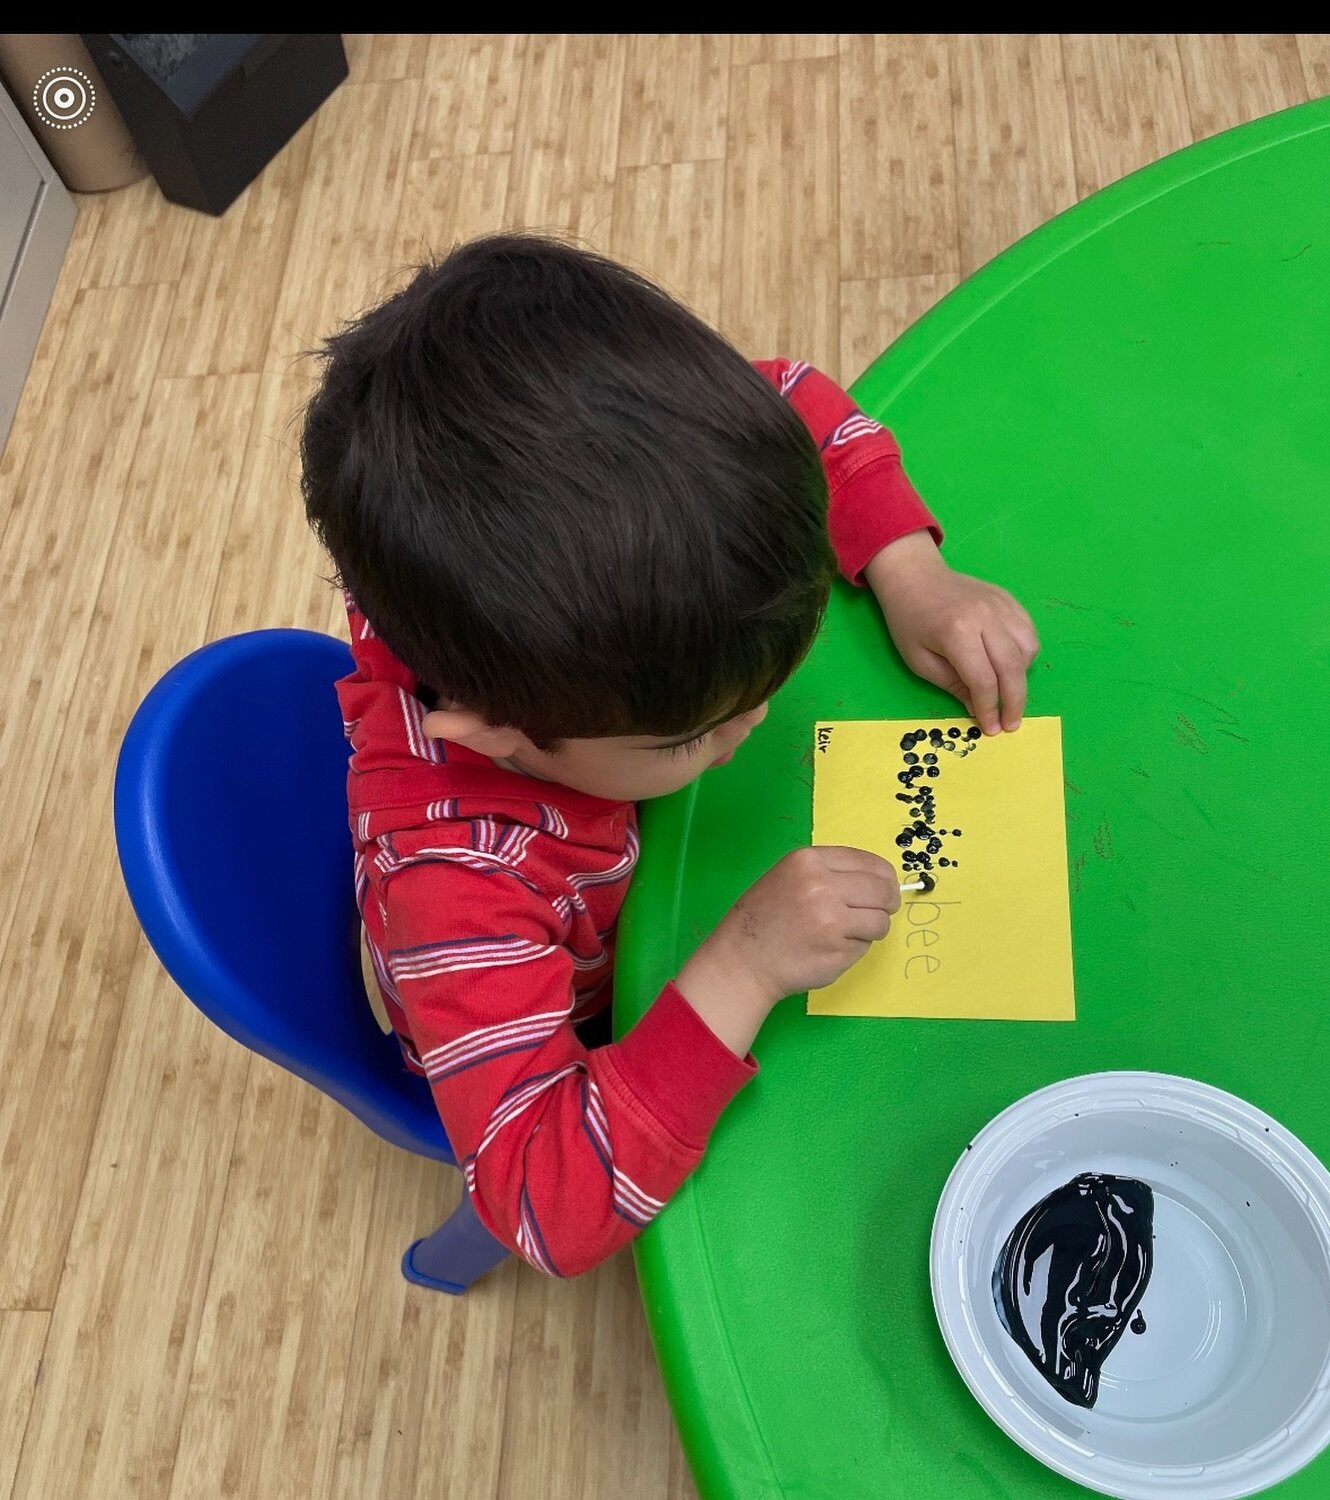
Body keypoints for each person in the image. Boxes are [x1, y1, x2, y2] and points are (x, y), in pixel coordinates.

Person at [301, 234, 1038, 1278]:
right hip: (576, 1018)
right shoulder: (455, 880)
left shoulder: (587, 580)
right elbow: (540, 1203)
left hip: (660, 876)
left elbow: (793, 399)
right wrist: (743, 963)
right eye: (693, 733)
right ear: (496, 736)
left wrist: (910, 569)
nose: (749, 733)